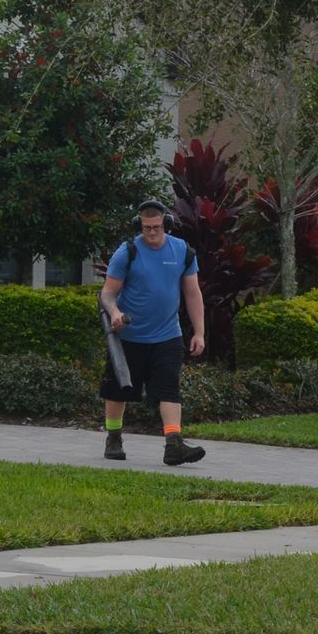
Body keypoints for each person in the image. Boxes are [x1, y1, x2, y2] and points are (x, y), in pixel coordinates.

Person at [100, 199, 207, 465]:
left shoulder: (182, 251)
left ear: (166, 225)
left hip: (167, 335)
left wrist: (199, 332)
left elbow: (193, 293)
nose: (151, 233)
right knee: (117, 391)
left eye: (157, 227)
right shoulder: (127, 252)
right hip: (128, 337)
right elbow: (108, 293)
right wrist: (114, 313)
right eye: (146, 228)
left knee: (169, 387)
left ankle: (173, 445)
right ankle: (114, 437)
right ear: (139, 226)